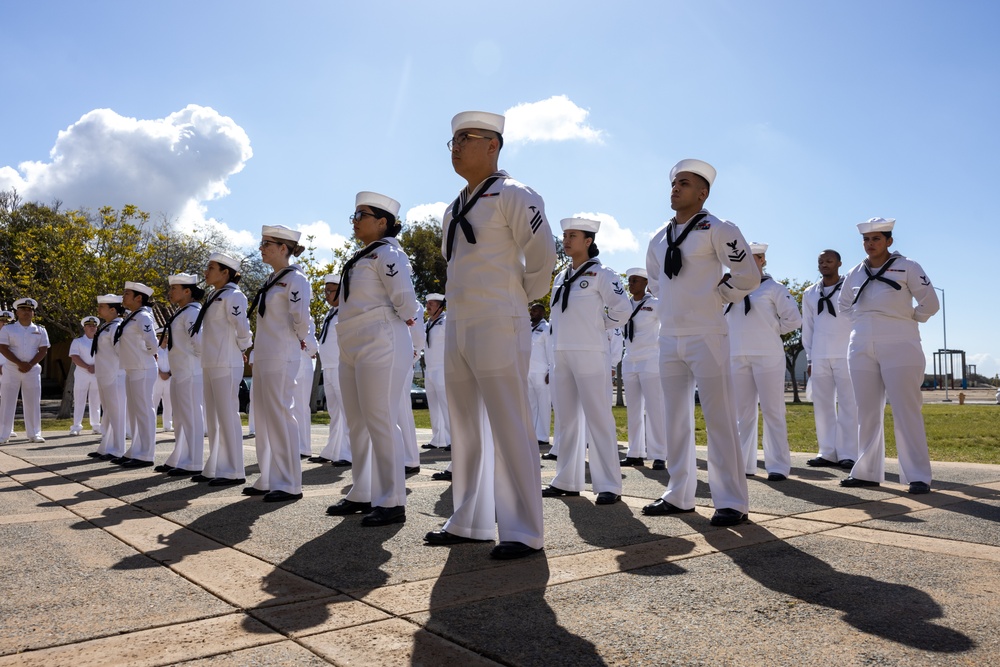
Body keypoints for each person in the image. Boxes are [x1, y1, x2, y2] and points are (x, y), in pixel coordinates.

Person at [423, 110, 556, 559]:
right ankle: (469, 519)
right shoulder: (453, 207)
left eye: (466, 137)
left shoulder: (514, 193)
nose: (456, 146)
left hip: (500, 318)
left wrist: (518, 297)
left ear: (492, 145)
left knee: (509, 422)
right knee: (464, 426)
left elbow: (543, 255)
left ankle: (522, 529)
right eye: (453, 140)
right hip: (461, 320)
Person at [643, 159, 759, 526]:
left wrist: (718, 296)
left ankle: (731, 501)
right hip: (669, 337)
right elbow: (656, 283)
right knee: (673, 419)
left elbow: (747, 274)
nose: (675, 188)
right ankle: (678, 494)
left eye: (685, 183)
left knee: (719, 417)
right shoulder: (658, 237)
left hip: (706, 334)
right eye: (674, 182)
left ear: (703, 192)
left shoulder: (718, 228)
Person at [326, 191, 418, 526]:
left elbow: (406, 301)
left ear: (383, 222)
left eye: (361, 215)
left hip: (381, 339)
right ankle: (362, 491)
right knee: (357, 423)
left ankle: (392, 500)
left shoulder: (388, 254)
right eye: (354, 215)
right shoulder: (362, 256)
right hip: (352, 341)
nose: (355, 221)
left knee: (379, 418)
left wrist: (402, 318)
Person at [839, 218, 939, 494]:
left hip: (900, 343)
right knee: (867, 410)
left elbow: (931, 303)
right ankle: (868, 471)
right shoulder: (855, 272)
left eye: (876, 239)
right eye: (866, 240)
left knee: (906, 409)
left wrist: (908, 319)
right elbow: (843, 304)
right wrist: (862, 324)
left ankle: (917, 476)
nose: (870, 245)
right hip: (860, 345)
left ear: (889, 241)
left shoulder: (908, 266)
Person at [544, 217, 632, 505]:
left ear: (588, 241)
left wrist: (599, 326)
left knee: (598, 418)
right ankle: (567, 480)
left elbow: (623, 309)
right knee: (567, 420)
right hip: (562, 354)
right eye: (565, 235)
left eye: (573, 235)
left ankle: (609, 484)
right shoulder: (560, 276)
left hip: (590, 352)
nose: (566, 240)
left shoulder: (602, 274)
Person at [244, 225, 312, 503]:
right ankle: (269, 476)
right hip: (264, 355)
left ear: (284, 248)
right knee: (263, 416)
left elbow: (301, 320)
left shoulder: (295, 280)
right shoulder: (272, 280)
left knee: (281, 414)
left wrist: (296, 341)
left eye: (267, 243)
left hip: (281, 355)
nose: (261, 248)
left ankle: (288, 482)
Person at [726, 243, 802, 481]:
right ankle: (744, 464)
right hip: (737, 355)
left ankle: (778, 465)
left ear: (762, 260)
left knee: (772, 410)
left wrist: (771, 330)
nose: (750, 261)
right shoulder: (729, 289)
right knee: (742, 413)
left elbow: (794, 319)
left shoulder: (773, 288)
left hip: (767, 355)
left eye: (755, 257)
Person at [193, 253, 253, 486]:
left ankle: (234, 470)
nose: (206, 272)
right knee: (214, 418)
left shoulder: (233, 296)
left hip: (226, 362)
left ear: (225, 272)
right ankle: (215, 466)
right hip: (210, 361)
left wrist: (241, 348)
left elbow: (243, 329)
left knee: (227, 416)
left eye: (211, 267)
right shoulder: (213, 295)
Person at [801, 249, 858, 469]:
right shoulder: (809, 293)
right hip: (820, 355)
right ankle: (826, 451)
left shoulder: (850, 289)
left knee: (848, 405)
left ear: (839, 263)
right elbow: (808, 326)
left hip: (846, 354)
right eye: (821, 261)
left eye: (829, 261)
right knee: (822, 405)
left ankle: (848, 452)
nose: (825, 264)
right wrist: (809, 358)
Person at [157, 273, 206, 477]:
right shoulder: (183, 311)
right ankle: (179, 457)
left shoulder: (192, 312)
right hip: (180, 372)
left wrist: (196, 363)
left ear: (187, 291)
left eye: (174, 289)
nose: (170, 293)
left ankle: (193, 462)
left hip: (190, 371)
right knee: (181, 419)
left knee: (191, 417)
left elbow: (200, 342)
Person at [619, 267, 668, 470]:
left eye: (635, 281)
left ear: (646, 283)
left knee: (655, 408)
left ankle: (659, 454)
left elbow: (667, 325)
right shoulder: (624, 305)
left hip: (650, 359)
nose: (631, 284)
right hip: (630, 359)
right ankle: (635, 452)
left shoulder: (655, 304)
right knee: (633, 409)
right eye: (629, 281)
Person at [114, 282, 159, 468]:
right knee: (134, 412)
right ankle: (136, 449)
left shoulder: (143, 316)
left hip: (142, 368)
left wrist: (144, 353)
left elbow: (152, 343)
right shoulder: (131, 316)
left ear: (138, 298)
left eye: (127, 294)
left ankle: (146, 454)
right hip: (132, 368)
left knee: (144, 411)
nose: (123, 297)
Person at [311, 274, 351, 466]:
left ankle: (349, 453)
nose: (326, 295)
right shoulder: (330, 313)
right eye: (325, 291)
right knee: (334, 412)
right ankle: (333, 449)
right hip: (328, 367)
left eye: (330, 291)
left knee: (347, 411)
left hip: (340, 365)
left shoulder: (346, 310)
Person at [0, 298, 50, 444]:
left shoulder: (40, 329)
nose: (26, 312)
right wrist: (19, 363)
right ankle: (3, 434)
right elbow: (3, 347)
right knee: (8, 401)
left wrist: (29, 364)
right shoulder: (8, 329)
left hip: (32, 370)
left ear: (33, 313)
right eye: (23, 310)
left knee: (33, 401)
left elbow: (43, 350)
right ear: (17, 312)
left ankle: (34, 433)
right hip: (12, 369)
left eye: (29, 310)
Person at [90, 295, 127, 459]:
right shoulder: (107, 326)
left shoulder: (117, 327)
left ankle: (118, 449)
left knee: (117, 413)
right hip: (105, 374)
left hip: (115, 375)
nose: (99, 309)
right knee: (109, 413)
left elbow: (120, 351)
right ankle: (106, 447)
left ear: (113, 309)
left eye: (102, 306)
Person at [422, 294, 452, 451]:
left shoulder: (447, 322)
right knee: (434, 406)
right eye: (427, 303)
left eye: (431, 304)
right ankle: (438, 438)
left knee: (446, 405)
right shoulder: (427, 323)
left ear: (440, 306)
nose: (428, 306)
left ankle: (452, 439)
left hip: (442, 368)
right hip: (430, 369)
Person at [68, 316, 102, 436]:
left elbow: (105, 357)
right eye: (89, 326)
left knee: (96, 400)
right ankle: (76, 426)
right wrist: (88, 366)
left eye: (94, 326)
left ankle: (96, 425)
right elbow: (74, 357)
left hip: (97, 373)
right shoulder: (78, 341)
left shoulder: (101, 341)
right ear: (84, 328)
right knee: (79, 400)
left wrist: (95, 367)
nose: (92, 327)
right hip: (82, 373)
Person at [527, 303, 552, 448]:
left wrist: (550, 370)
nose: (532, 312)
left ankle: (542, 436)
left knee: (543, 405)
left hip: (542, 371)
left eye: (535, 310)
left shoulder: (547, 329)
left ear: (543, 313)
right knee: (531, 405)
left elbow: (550, 349)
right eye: (531, 310)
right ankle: (532, 434)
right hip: (528, 371)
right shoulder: (526, 327)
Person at [151, 348, 173, 432]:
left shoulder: (170, 350)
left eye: (167, 336)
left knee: (168, 403)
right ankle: (152, 424)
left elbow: (174, 362)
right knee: (154, 402)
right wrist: (161, 373)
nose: (165, 338)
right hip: (157, 379)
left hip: (168, 378)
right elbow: (154, 362)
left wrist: (169, 373)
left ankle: (168, 425)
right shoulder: (156, 349)